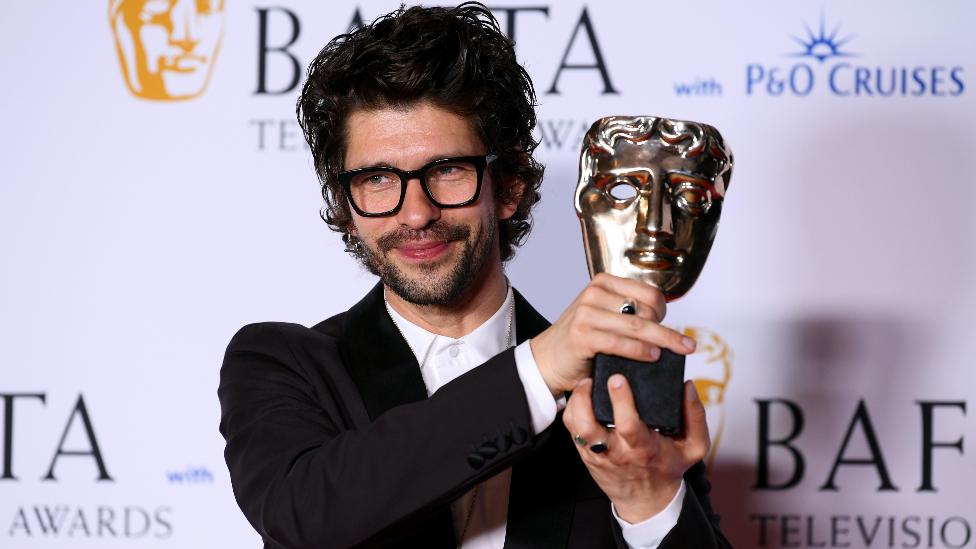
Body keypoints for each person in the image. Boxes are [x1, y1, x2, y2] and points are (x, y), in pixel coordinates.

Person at [218, 3, 731, 548]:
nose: (415, 214)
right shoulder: (283, 364)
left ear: (508, 186)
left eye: (447, 171)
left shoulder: (620, 391)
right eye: (376, 179)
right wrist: (537, 371)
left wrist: (651, 504)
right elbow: (311, 514)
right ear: (344, 203)